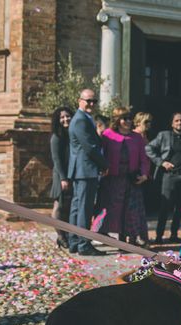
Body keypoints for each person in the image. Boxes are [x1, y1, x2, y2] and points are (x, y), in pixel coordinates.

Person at [94, 107, 150, 246]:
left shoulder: (137, 137)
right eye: (124, 118)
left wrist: (144, 174)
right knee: (113, 210)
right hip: (112, 180)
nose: (128, 121)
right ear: (117, 120)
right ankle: (102, 235)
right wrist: (102, 169)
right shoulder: (107, 135)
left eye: (130, 118)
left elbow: (144, 158)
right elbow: (100, 154)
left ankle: (129, 238)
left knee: (130, 211)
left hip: (131, 179)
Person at [68, 88, 108, 256]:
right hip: (85, 170)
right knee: (83, 209)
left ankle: (75, 241)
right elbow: (90, 148)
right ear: (80, 101)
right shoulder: (80, 120)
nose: (91, 104)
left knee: (78, 208)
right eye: (88, 101)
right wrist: (104, 164)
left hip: (81, 170)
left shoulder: (84, 118)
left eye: (94, 101)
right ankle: (83, 244)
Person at [146, 112, 181, 244]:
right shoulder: (164, 135)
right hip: (169, 175)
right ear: (172, 123)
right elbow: (148, 148)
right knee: (165, 206)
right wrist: (161, 162)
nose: (180, 123)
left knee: (180, 207)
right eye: (177, 121)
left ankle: (174, 234)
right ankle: (159, 236)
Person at [49, 106, 74, 249]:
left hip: (72, 175)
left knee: (68, 207)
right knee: (58, 206)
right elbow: (56, 159)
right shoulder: (56, 137)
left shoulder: (72, 134)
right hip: (61, 175)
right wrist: (63, 178)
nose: (65, 119)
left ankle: (67, 235)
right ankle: (60, 235)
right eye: (62, 117)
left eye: (68, 116)